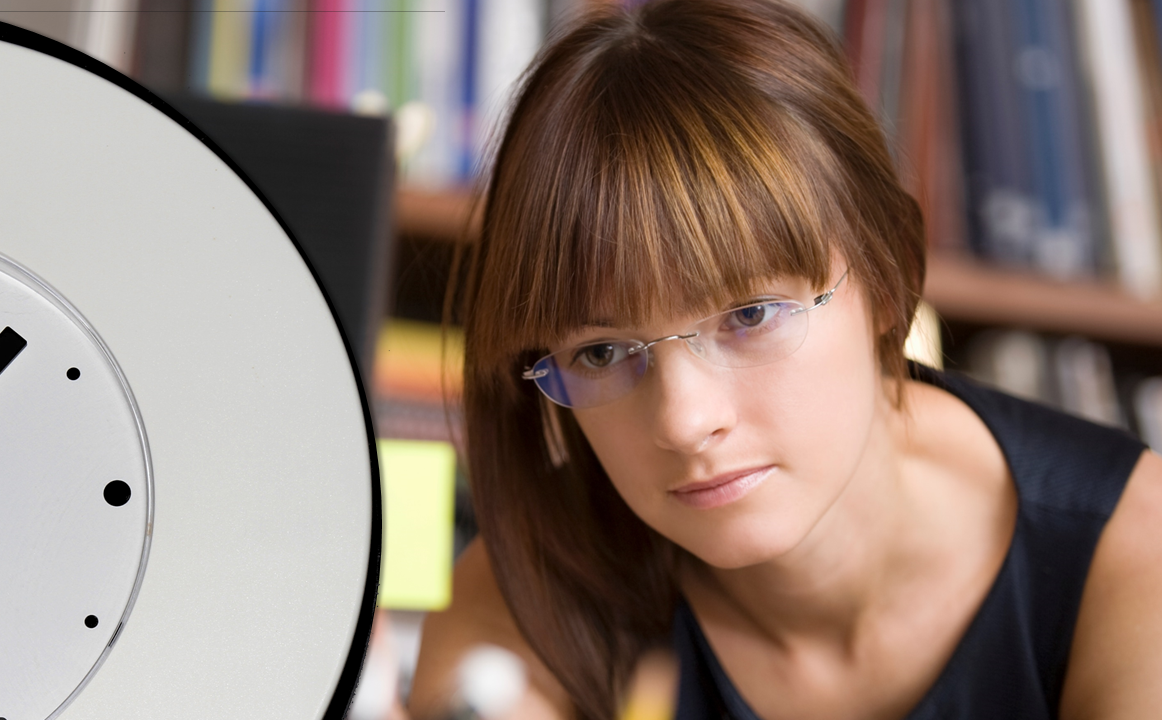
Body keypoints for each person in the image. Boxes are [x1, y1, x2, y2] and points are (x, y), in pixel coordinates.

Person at [406, 1, 1162, 718]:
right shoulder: (520, 607)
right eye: (602, 351)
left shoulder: (1131, 551)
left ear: (890, 277)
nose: (684, 421)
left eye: (749, 315)